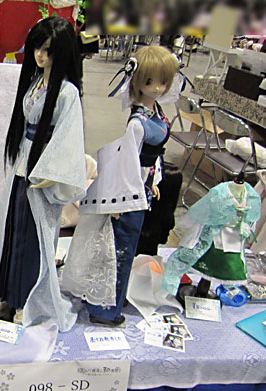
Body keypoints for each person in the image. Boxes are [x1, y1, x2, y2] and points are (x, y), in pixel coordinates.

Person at [62, 45, 181, 327]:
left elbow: (154, 156)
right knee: (120, 251)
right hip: (128, 195)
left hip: (143, 187)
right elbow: (126, 164)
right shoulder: (138, 123)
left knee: (127, 248)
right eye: (149, 81)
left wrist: (153, 180)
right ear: (138, 82)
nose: (157, 88)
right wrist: (120, 198)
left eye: (163, 82)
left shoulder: (157, 112)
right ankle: (105, 309)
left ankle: (114, 298)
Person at [0, 16, 87, 330]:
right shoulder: (34, 83)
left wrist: (51, 172)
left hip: (43, 172)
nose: (41, 56)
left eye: (48, 50)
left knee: (33, 240)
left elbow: (69, 138)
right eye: (37, 48)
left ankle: (26, 301)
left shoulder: (67, 93)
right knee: (13, 230)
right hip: (24, 167)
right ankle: (7, 293)